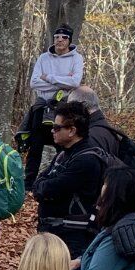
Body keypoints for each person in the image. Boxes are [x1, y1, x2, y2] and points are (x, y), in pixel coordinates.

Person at [32, 100, 106, 259]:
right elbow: (38, 184)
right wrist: (41, 187)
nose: (52, 131)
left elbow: (49, 189)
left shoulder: (86, 160)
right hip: (54, 234)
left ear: (72, 130)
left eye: (57, 127)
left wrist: (42, 187)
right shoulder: (63, 154)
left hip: (72, 239)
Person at [21, 24, 86, 188]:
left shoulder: (76, 58)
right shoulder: (44, 58)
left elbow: (75, 82)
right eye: (57, 37)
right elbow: (34, 83)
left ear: (69, 40)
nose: (59, 40)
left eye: (64, 37)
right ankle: (28, 183)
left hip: (64, 107)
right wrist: (63, 80)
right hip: (42, 107)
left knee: (62, 143)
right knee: (35, 145)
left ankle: (61, 179)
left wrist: (48, 77)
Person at [68, 86, 120, 160]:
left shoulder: (89, 137)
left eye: (71, 107)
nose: (68, 113)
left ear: (82, 106)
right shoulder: (108, 131)